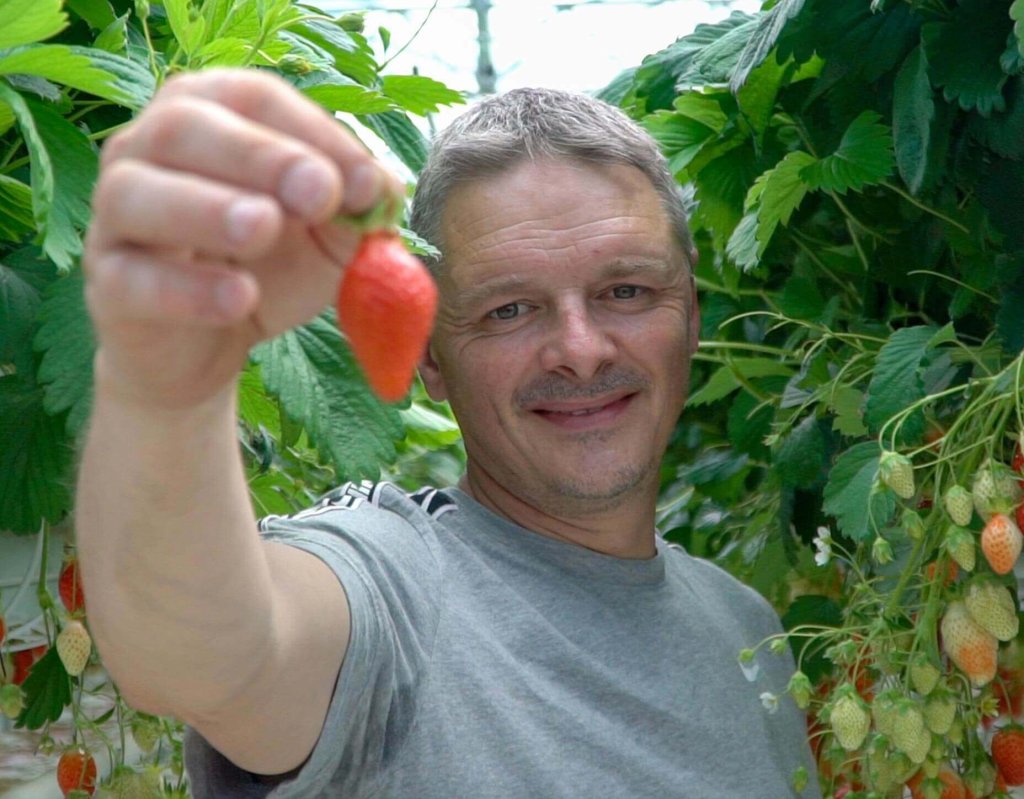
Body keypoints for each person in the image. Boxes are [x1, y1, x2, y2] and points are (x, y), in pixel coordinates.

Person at [76, 69, 819, 798]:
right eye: (508, 310)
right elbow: (207, 651)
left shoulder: (749, 632)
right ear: (430, 353)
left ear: (689, 304)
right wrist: (166, 378)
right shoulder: (396, 591)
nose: (581, 347)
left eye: (625, 290)